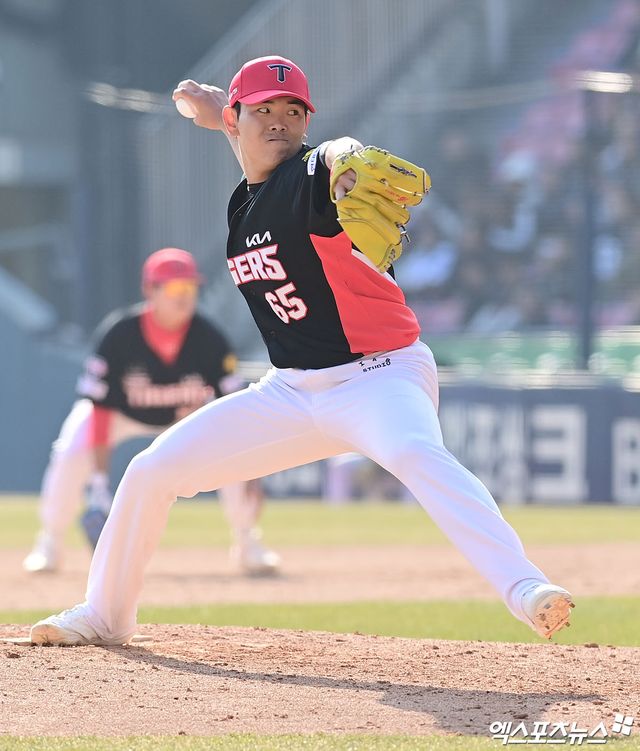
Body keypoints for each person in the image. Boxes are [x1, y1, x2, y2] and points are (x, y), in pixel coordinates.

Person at [31, 56, 573, 645]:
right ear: (237, 119)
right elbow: (258, 166)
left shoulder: (314, 176)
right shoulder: (247, 198)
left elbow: (333, 156)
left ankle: (525, 586)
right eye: (264, 109)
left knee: (414, 451)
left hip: (379, 377)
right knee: (149, 471)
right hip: (291, 390)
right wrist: (220, 116)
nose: (280, 121)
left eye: (293, 112)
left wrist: (347, 161)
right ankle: (106, 615)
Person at [24, 247, 279, 577]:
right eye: (174, 288)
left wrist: (251, 468)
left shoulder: (210, 339)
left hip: (183, 418)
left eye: (190, 288)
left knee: (233, 453)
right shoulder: (120, 335)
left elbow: (234, 411)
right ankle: (50, 542)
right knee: (70, 450)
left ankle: (247, 542)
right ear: (150, 290)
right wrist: (99, 483)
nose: (184, 296)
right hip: (121, 414)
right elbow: (100, 408)